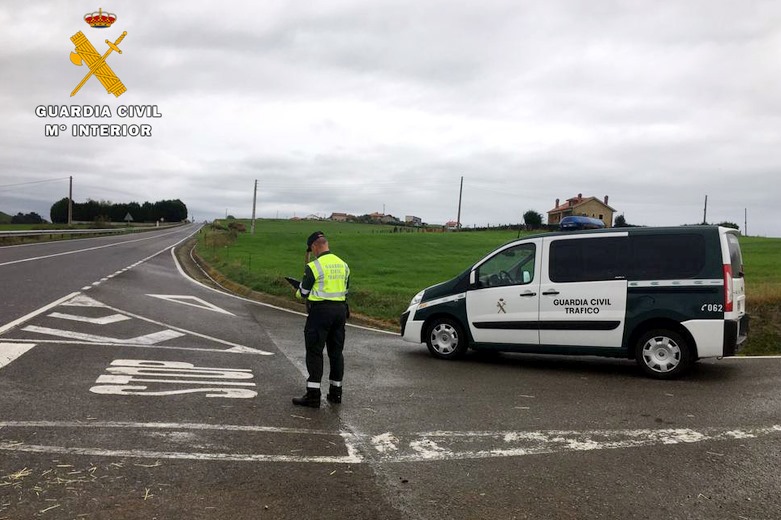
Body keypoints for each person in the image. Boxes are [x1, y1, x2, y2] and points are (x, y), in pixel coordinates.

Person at [292, 231, 350, 408]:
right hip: (340, 311)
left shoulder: (313, 266)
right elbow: (345, 290)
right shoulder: (344, 265)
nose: (313, 252)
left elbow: (303, 293)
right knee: (336, 353)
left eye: (312, 249)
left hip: (320, 313)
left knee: (315, 352)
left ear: (315, 246)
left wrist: (297, 289)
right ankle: (336, 393)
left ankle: (313, 396)